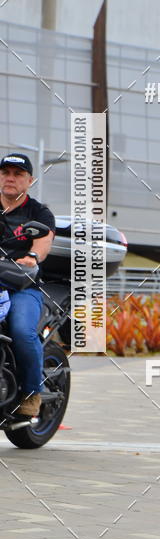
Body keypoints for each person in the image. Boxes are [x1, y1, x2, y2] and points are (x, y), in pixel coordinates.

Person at [0, 153, 55, 417]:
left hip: (23, 286)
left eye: (17, 174)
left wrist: (32, 257)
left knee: (22, 331)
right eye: (5, 172)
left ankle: (32, 393)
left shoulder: (38, 212)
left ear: (29, 180)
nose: (10, 178)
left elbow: (43, 241)